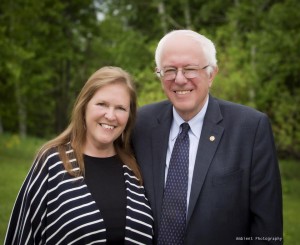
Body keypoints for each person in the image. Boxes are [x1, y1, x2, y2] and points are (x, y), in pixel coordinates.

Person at [132, 30, 283, 244]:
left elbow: (267, 228)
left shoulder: (250, 128)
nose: (179, 79)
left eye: (190, 69)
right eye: (169, 70)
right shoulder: (141, 123)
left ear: (211, 74)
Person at [5, 66, 153, 244]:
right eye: (102, 104)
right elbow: (22, 234)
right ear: (84, 107)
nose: (111, 115)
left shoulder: (134, 167)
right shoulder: (53, 162)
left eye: (121, 108)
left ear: (130, 116)